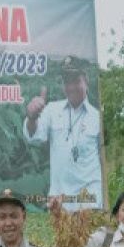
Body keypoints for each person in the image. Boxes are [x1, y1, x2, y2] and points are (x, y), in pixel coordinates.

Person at [22, 58, 103, 211]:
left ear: (86, 81)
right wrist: (32, 117)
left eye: (76, 80)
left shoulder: (97, 117)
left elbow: (103, 159)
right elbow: (33, 135)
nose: (71, 86)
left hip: (90, 203)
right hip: (59, 203)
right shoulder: (51, 110)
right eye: (67, 82)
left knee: (90, 236)